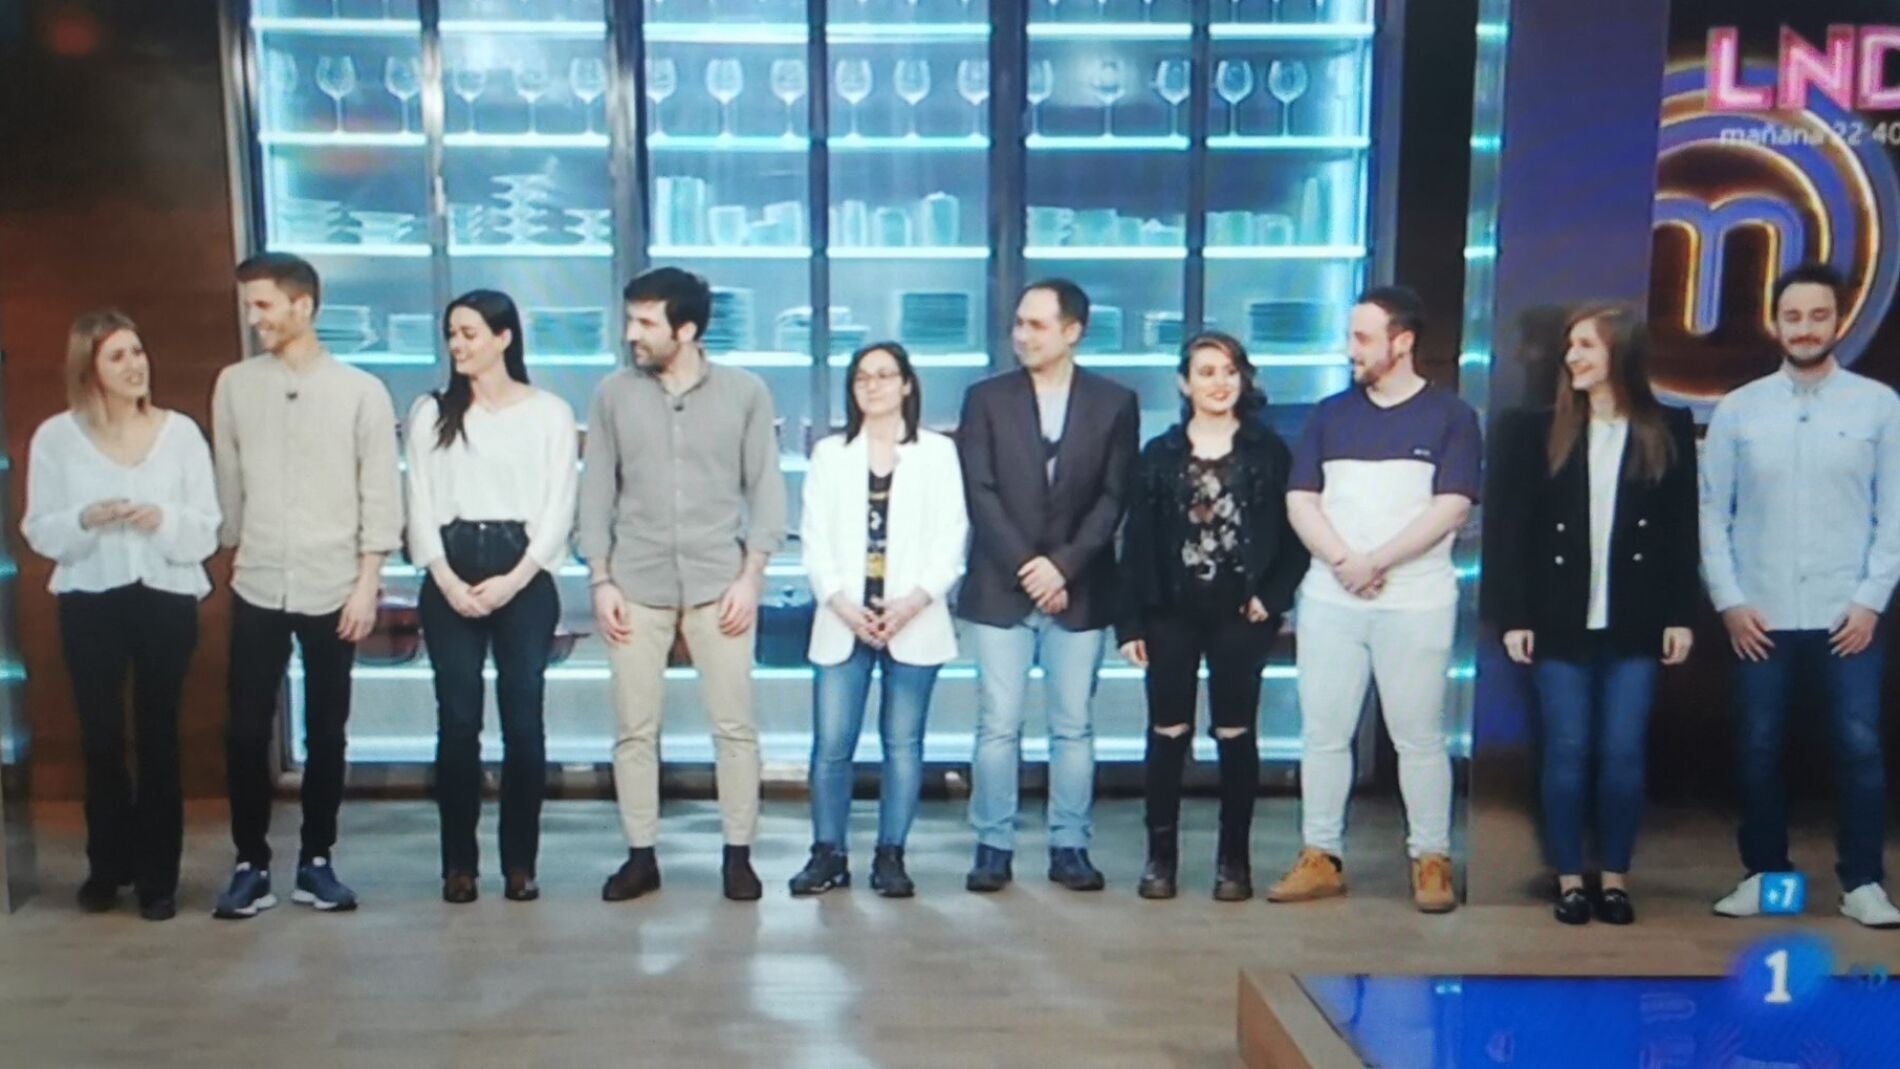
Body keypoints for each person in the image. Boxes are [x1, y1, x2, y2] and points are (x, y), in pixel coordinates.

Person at [1269, 285, 1480, 914]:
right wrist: (1344, 561)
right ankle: (1320, 854)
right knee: (1324, 734)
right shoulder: (1329, 414)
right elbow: (1300, 500)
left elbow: (1452, 506)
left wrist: (1377, 561)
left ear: (1402, 342)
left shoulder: (1451, 417)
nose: (1350, 349)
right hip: (1330, 598)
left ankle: (1431, 858)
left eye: (1362, 338)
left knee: (1419, 737)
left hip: (1416, 600)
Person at [1702, 262, 1900, 929]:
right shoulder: (1739, 409)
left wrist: (1871, 600)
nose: (1806, 328)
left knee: (1859, 745)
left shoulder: (1879, 406)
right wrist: (1729, 600)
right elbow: (1712, 513)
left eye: (1818, 315)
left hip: (1849, 613)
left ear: (1839, 321)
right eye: (1793, 316)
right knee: (1759, 746)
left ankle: (1863, 883)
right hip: (1760, 612)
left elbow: (1894, 513)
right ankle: (1766, 876)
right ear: (1775, 323)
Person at [580, 267, 787, 903]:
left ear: (687, 329)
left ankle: (738, 855)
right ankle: (640, 855)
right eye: (630, 319)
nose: (631, 334)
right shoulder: (613, 395)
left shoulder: (746, 393)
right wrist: (600, 578)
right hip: (634, 583)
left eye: (646, 322)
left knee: (735, 728)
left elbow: (767, 488)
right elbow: (596, 490)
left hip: (719, 582)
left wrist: (752, 576)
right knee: (634, 730)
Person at [1490, 304, 1698, 925]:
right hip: (1559, 619)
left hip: (1636, 619)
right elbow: (1510, 531)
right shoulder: (1534, 431)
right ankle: (1569, 879)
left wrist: (1680, 614)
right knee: (1567, 750)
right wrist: (1515, 615)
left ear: (1620, 353)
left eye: (1586, 345)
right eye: (1570, 345)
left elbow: (1680, 529)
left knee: (1624, 753)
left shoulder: (1666, 427)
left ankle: (1614, 878)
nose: (1572, 357)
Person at [210, 253, 403, 919]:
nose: (254, 317)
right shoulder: (234, 385)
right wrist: (226, 549)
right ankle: (250, 862)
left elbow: (380, 490)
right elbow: (228, 480)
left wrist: (368, 581)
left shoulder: (360, 391)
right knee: (243, 729)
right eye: (250, 305)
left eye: (263, 304)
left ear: (304, 306)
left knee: (327, 730)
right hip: (258, 578)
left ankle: (317, 859)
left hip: (334, 582)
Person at [20, 310, 220, 922]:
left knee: (160, 738)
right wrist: (86, 518)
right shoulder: (56, 438)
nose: (136, 365)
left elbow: (207, 526)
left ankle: (159, 878)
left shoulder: (181, 434)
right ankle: (107, 866)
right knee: (101, 739)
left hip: (165, 595)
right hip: (90, 598)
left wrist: (163, 519)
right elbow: (39, 528)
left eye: (138, 351)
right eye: (118, 356)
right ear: (90, 369)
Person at [956, 278, 1138, 893]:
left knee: (1073, 725)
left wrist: (1062, 567)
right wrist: (1030, 569)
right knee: (998, 724)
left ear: (1072, 331)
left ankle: (1070, 846)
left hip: (1079, 588)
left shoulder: (1114, 403)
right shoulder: (985, 399)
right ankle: (992, 846)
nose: (1022, 335)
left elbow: (1114, 497)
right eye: (1019, 323)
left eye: (1036, 325)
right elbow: (980, 492)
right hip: (1000, 586)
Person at [1116, 331, 1307, 901]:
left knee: (1235, 732)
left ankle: (1234, 863)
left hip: (1242, 615)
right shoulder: (1159, 454)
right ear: (1184, 384)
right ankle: (1160, 860)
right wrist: (1129, 624)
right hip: (1169, 613)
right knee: (1167, 732)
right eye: (1206, 372)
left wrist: (1273, 597)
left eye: (1228, 371)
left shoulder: (1269, 452)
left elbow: (1296, 534)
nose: (1219, 383)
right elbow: (1136, 543)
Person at [405, 290, 577, 905]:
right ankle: (459, 865)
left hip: (523, 571)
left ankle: (520, 864)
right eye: (452, 334)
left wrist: (514, 579)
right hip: (450, 566)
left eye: (470, 333)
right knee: (457, 723)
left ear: (504, 338)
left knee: (524, 723)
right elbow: (418, 502)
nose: (458, 345)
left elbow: (559, 506)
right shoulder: (431, 412)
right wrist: (447, 579)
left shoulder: (549, 412)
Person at [789, 342, 968, 898]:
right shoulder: (830, 454)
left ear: (907, 384)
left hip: (913, 618)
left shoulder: (937, 453)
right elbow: (814, 541)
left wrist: (911, 603)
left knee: (903, 745)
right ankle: (828, 853)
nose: (873, 385)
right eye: (862, 377)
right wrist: (842, 604)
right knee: (831, 745)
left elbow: (951, 538)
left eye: (886, 375)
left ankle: (892, 855)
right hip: (843, 619)